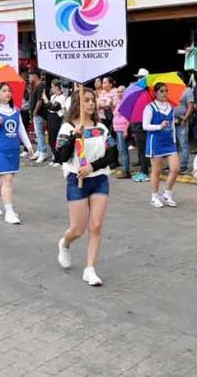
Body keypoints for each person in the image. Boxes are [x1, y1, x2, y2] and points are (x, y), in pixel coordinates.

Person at [53, 87, 117, 287]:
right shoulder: (67, 128)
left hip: (99, 179)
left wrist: (92, 166)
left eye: (93, 100)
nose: (90, 104)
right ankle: (65, 243)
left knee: (96, 226)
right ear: (78, 103)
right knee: (78, 229)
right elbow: (60, 156)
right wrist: (74, 137)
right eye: (86, 100)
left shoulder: (102, 128)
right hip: (76, 180)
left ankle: (90, 269)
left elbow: (112, 155)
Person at [0, 83, 34, 225]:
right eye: (4, 91)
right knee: (8, 179)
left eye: (9, 91)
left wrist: (28, 145)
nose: (7, 93)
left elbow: (21, 128)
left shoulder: (15, 111)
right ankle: (9, 212)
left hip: (13, 149)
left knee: (4, 182)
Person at [144, 82, 180, 208]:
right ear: (155, 93)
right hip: (156, 142)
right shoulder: (149, 107)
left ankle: (167, 193)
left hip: (169, 143)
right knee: (156, 171)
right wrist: (159, 126)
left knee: (175, 169)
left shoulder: (171, 107)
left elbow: (173, 126)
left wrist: (174, 141)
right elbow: (145, 125)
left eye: (166, 90)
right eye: (162, 91)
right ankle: (154, 196)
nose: (165, 93)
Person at [45, 79, 69, 168]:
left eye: (52, 87)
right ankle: (55, 157)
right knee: (51, 138)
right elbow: (49, 107)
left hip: (57, 118)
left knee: (56, 138)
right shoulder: (52, 97)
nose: (51, 89)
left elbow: (54, 107)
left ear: (57, 87)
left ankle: (59, 159)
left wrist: (45, 99)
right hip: (51, 117)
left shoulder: (62, 97)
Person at [173, 80, 194, 172]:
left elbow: (190, 106)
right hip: (172, 121)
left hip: (182, 120)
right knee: (174, 144)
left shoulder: (187, 90)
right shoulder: (171, 90)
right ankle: (175, 164)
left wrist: (185, 119)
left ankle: (184, 165)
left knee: (183, 143)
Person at [29, 72, 51, 164]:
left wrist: (35, 111)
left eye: (30, 77)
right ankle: (39, 150)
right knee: (38, 133)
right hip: (36, 114)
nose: (29, 79)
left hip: (39, 114)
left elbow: (40, 101)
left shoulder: (41, 85)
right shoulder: (36, 86)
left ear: (35, 76)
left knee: (39, 133)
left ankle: (43, 152)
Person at [112, 85, 132, 178]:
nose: (120, 93)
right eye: (118, 91)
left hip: (122, 128)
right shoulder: (119, 102)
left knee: (123, 150)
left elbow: (128, 117)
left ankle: (126, 170)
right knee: (121, 149)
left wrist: (125, 130)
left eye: (122, 91)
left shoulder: (126, 102)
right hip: (117, 128)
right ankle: (125, 168)